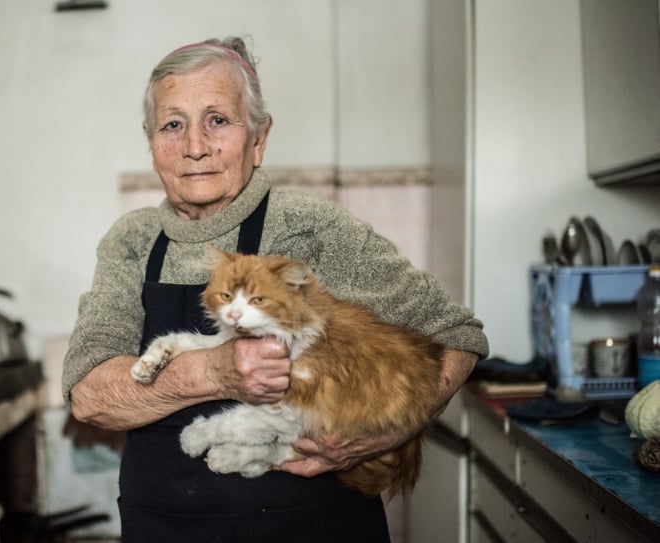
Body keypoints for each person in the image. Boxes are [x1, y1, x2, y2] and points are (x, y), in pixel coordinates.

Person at [62, 36, 489, 542]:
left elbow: (458, 337)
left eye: (218, 120)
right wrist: (215, 372)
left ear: (259, 138)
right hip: (165, 528)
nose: (195, 146)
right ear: (151, 140)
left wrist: (384, 431)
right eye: (172, 125)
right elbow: (90, 396)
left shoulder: (310, 226)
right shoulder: (132, 242)